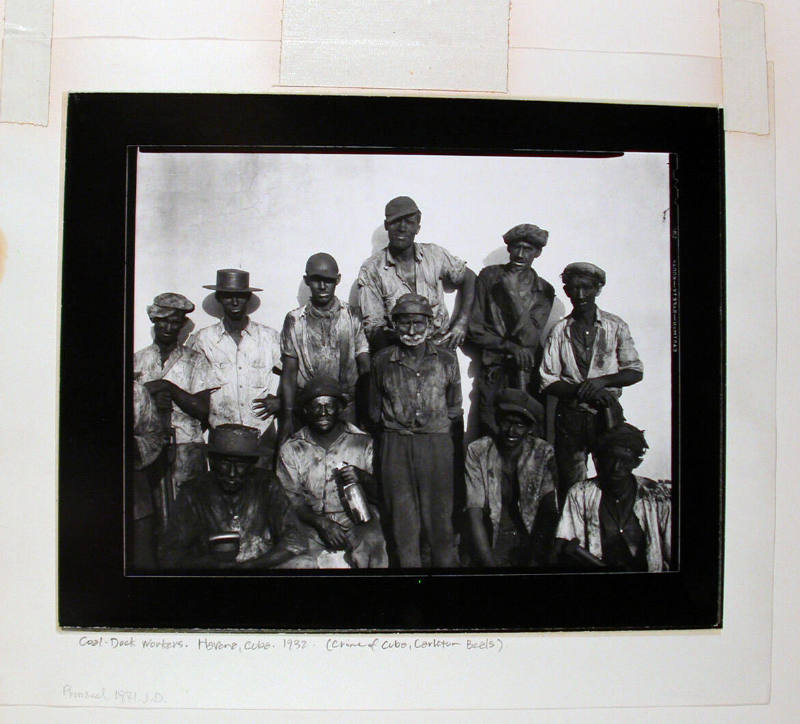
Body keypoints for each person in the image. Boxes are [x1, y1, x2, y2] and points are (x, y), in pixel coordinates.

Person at [369, 293, 462, 567]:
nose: (411, 331)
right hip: (395, 445)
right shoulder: (382, 361)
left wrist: (438, 435)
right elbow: (374, 410)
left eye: (418, 324)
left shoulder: (446, 359)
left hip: (436, 446)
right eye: (405, 323)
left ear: (430, 324)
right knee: (402, 520)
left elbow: (455, 407)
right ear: (394, 325)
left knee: (440, 521)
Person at [539, 262, 644, 503]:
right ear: (566, 291)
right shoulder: (559, 330)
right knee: (572, 481)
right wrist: (582, 391)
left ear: (598, 289)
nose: (580, 295)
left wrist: (601, 383)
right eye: (574, 288)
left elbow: (635, 370)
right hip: (571, 417)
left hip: (607, 413)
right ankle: (574, 536)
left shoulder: (614, 325)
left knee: (613, 474)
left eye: (586, 288)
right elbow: (548, 379)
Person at [158, 424, 313, 570]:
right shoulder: (193, 492)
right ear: (212, 460)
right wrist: (209, 564)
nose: (232, 473)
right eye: (225, 463)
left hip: (261, 566)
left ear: (252, 464)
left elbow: (295, 539)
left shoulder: (266, 484)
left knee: (305, 563)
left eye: (240, 464)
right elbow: (170, 555)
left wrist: (252, 566)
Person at [277, 375, 388, 568]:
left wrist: (362, 478)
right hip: (310, 523)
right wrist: (322, 524)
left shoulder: (363, 443)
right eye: (316, 406)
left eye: (329, 405)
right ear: (305, 410)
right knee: (292, 561)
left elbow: (384, 495)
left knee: (374, 545)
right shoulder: (292, 448)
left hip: (358, 522)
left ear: (340, 409)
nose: (323, 412)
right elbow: (290, 500)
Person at [133, 293, 216, 518]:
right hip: (145, 449)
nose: (169, 327)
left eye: (175, 322)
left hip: (186, 446)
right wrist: (148, 394)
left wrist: (169, 388)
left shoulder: (196, 360)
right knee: (149, 513)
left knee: (188, 515)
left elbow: (202, 409)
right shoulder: (135, 360)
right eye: (163, 320)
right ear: (154, 321)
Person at [357, 195, 476, 351]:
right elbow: (374, 327)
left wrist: (462, 322)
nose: (402, 228)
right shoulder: (372, 269)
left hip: (440, 348)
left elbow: (469, 277)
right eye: (395, 222)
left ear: (418, 228)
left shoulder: (435, 255)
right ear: (386, 225)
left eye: (409, 222)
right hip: (399, 353)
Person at [188, 269, 282, 464]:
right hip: (221, 430)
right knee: (223, 489)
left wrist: (280, 400)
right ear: (219, 298)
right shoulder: (203, 339)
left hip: (261, 429)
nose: (234, 301)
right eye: (228, 296)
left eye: (240, 296)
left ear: (247, 298)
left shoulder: (269, 337)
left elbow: (292, 372)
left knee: (260, 488)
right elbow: (192, 384)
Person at [468, 223, 555, 434]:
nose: (520, 254)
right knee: (491, 428)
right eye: (516, 247)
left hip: (526, 373)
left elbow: (529, 338)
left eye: (528, 249)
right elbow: (474, 329)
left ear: (538, 253)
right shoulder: (489, 277)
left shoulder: (544, 290)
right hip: (495, 371)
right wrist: (509, 347)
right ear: (509, 248)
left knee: (525, 432)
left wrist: (513, 295)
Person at [276, 253, 370, 443]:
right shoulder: (294, 320)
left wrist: (367, 411)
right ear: (307, 280)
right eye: (316, 280)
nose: (322, 286)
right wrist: (286, 418)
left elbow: (365, 365)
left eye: (328, 280)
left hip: (345, 406)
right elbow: (289, 371)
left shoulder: (353, 316)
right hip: (308, 407)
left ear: (338, 280)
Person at [554, 423, 671, 572]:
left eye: (625, 460)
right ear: (598, 459)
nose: (616, 467)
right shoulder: (580, 493)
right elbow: (566, 541)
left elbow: (672, 551)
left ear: (636, 462)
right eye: (610, 458)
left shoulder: (656, 495)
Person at [465, 389, 559, 567]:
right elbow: (474, 511)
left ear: (530, 429)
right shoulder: (478, 451)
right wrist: (488, 561)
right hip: (492, 537)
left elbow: (549, 509)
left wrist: (537, 557)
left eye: (520, 425)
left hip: (530, 539)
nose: (512, 430)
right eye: (507, 422)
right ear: (498, 421)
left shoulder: (542, 452)